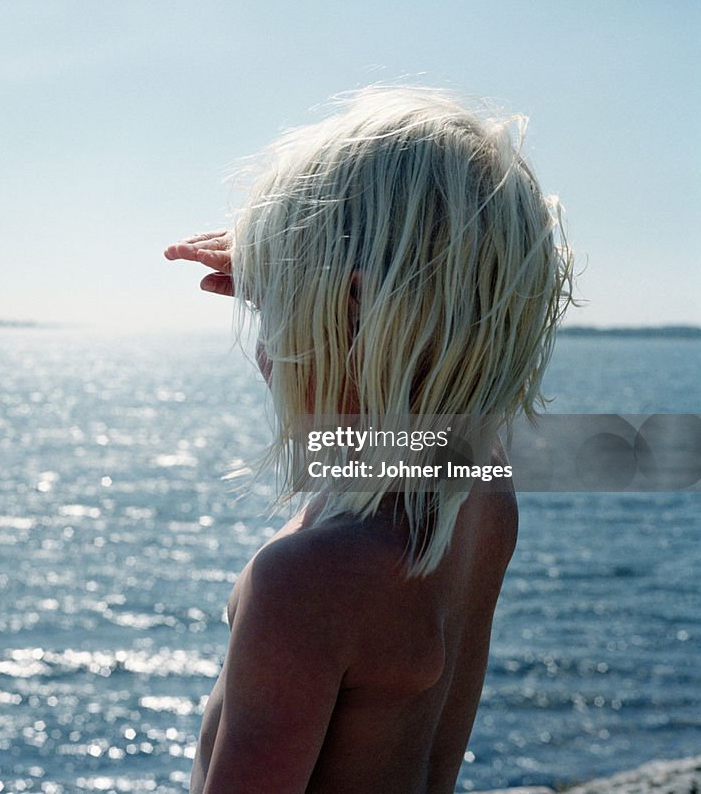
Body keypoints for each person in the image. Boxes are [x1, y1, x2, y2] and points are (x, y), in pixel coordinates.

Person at [164, 86, 573, 794]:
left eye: (273, 308)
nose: (265, 349)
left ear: (356, 311)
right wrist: (302, 273)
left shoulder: (307, 582)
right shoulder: (478, 491)